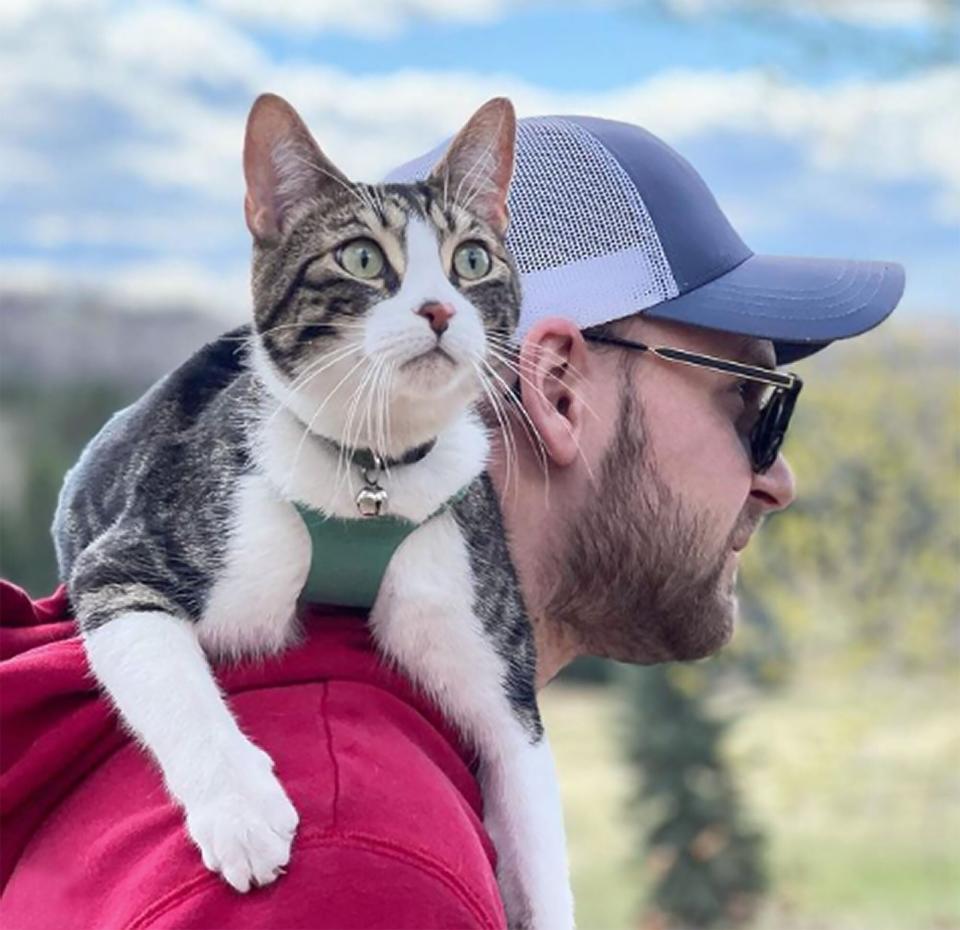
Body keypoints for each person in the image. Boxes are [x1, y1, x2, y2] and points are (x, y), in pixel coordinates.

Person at [0, 115, 903, 928]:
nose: (778, 478)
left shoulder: (354, 746)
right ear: (553, 388)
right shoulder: (353, 859)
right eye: (753, 401)